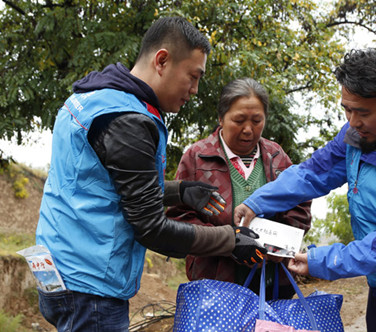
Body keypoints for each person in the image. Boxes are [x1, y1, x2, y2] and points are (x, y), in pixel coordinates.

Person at [35, 17, 266, 332]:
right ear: (162, 61)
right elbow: (150, 228)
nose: (194, 90)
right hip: (89, 285)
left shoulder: (93, 98)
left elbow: (103, 185)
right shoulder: (129, 121)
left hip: (57, 267)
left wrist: (180, 191)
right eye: (193, 76)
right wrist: (229, 240)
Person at [234, 49, 376, 331]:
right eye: (347, 109)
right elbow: (314, 172)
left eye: (363, 112)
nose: (353, 121)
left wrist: (320, 262)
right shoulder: (360, 133)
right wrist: (256, 202)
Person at [166, 77, 312, 299]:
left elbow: (299, 204)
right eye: (239, 120)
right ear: (221, 119)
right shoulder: (197, 158)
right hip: (215, 284)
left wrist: (280, 246)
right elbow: (179, 218)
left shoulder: (277, 157)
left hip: (271, 282)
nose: (248, 129)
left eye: (256, 120)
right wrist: (227, 241)